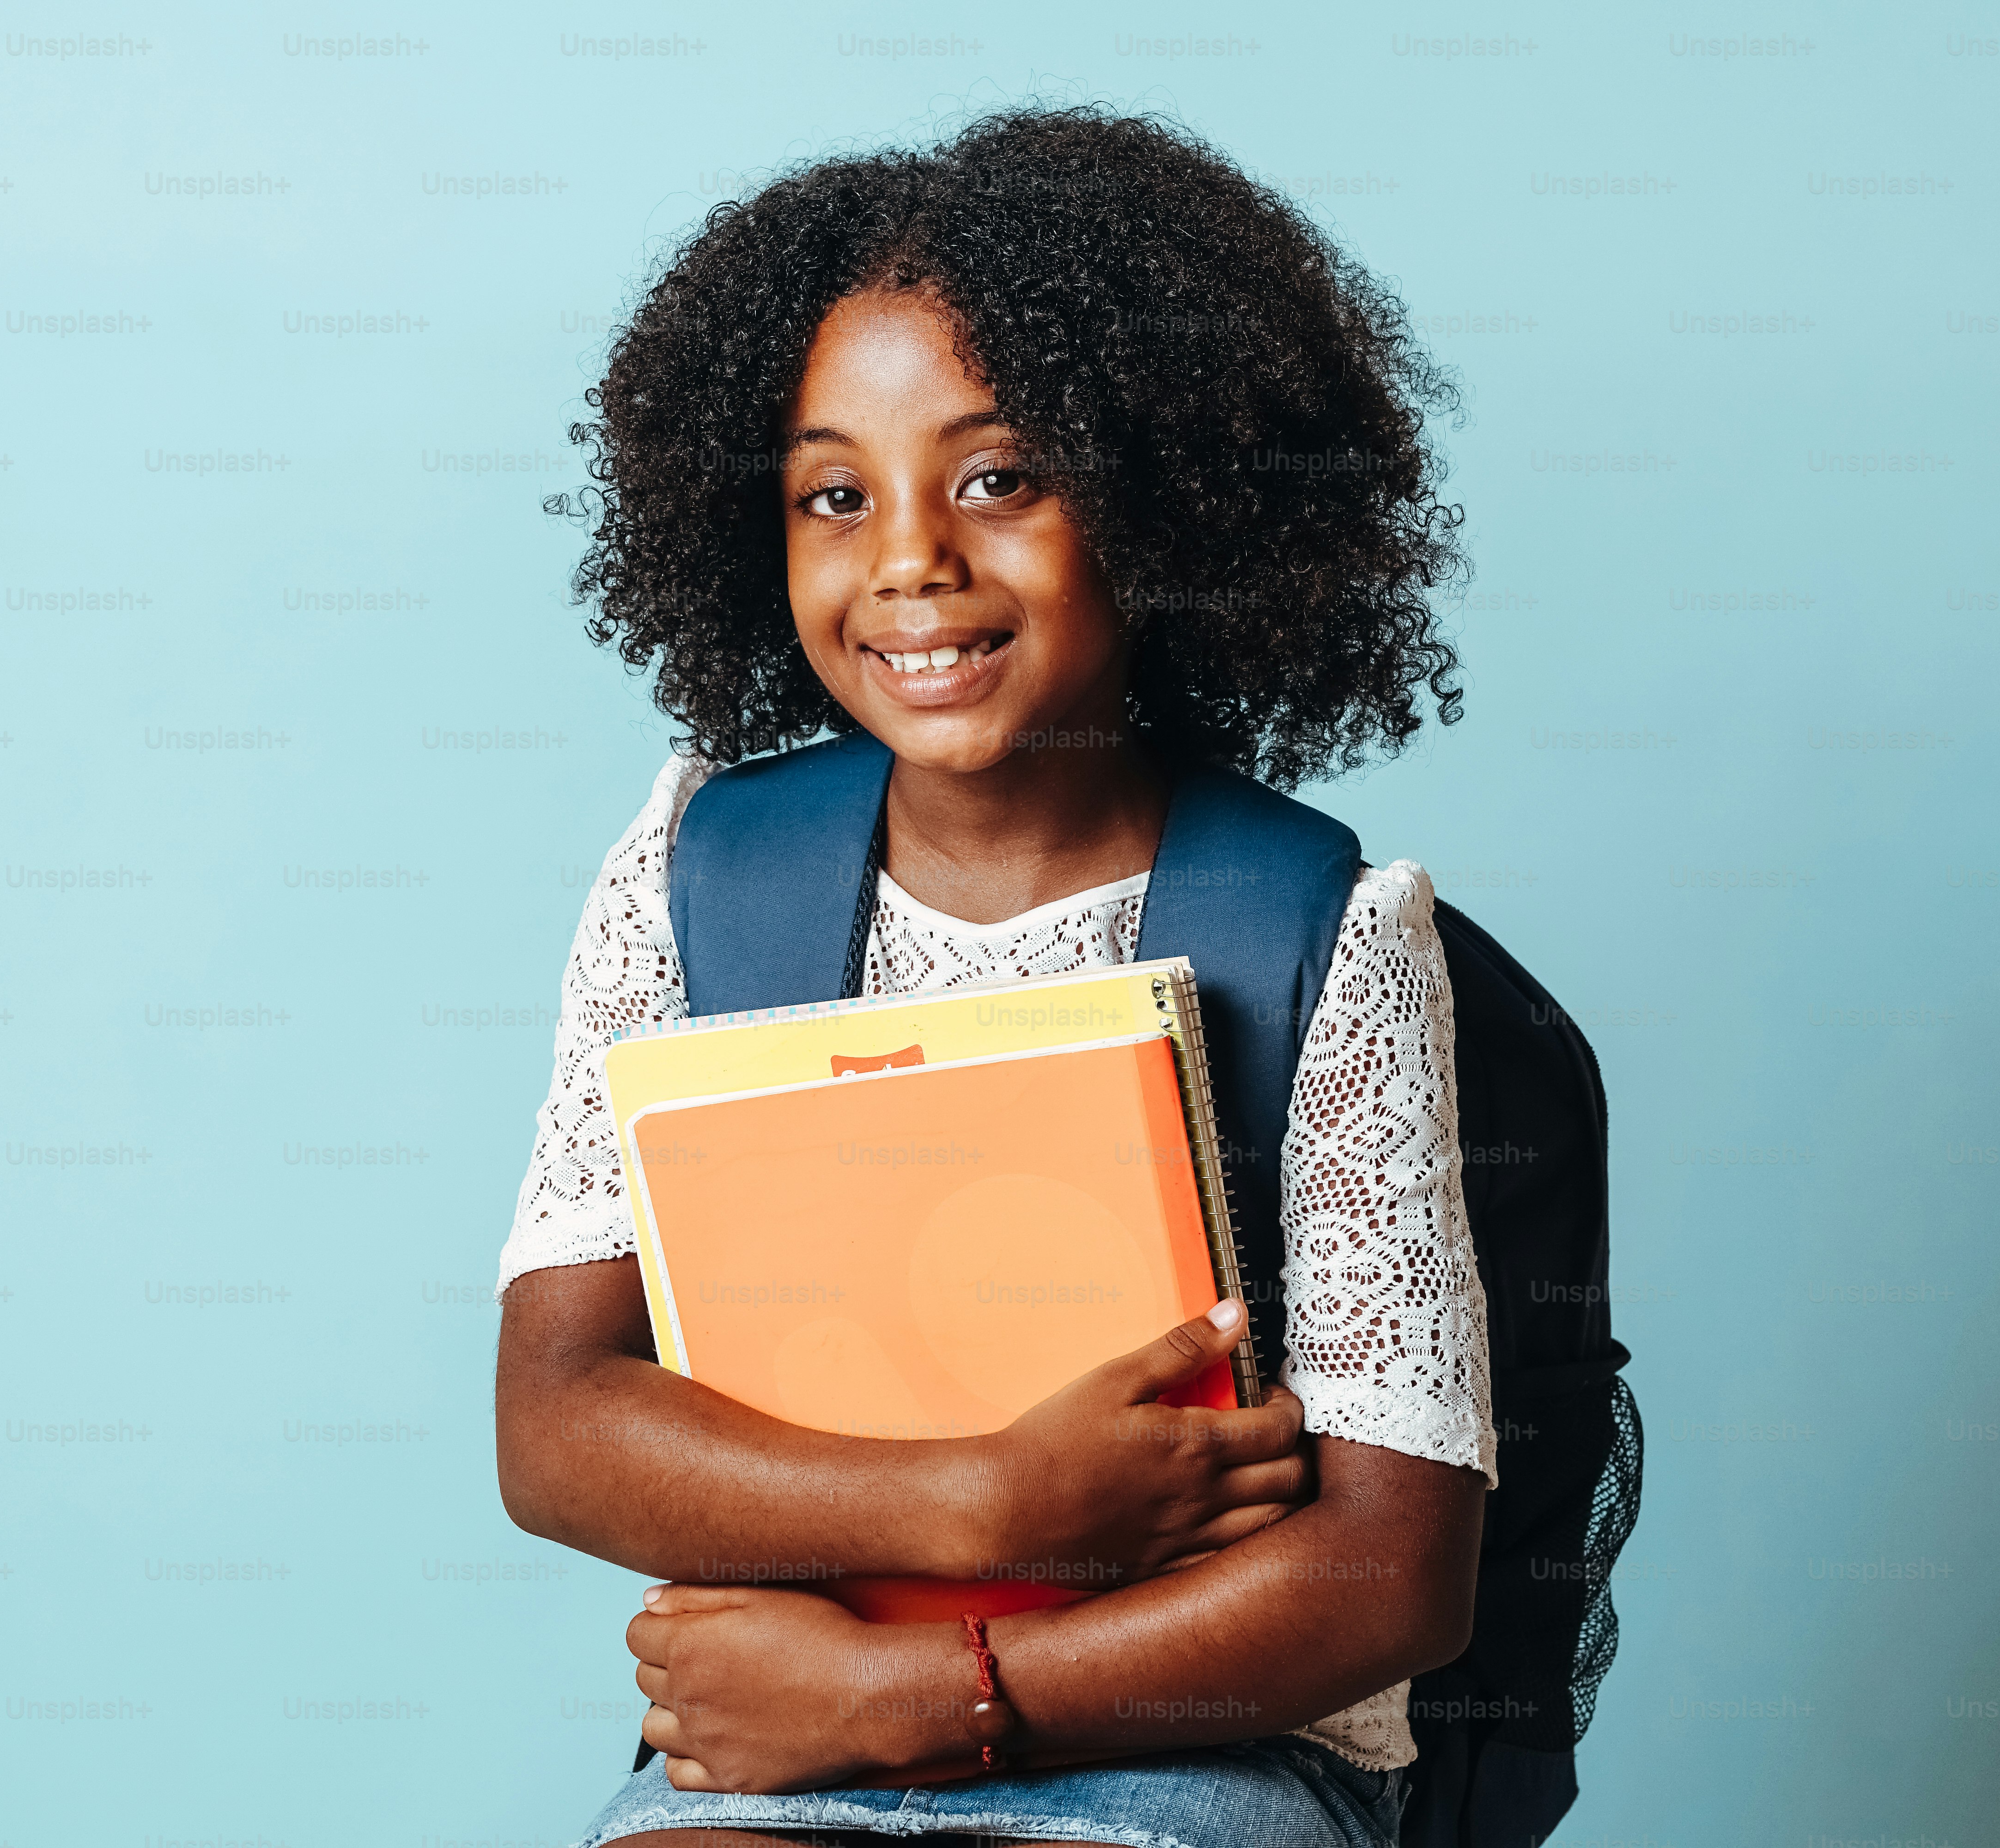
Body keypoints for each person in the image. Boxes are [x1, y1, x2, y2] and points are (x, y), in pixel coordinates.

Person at [497, 106, 1489, 1848]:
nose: (910, 562)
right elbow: (561, 1423)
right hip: (793, 1732)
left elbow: (1394, 1574)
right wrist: (981, 1506)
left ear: (1166, 489)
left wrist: (938, 1690)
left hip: (1204, 1742)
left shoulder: (1321, 926)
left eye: (998, 477)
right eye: (833, 493)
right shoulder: (693, 881)